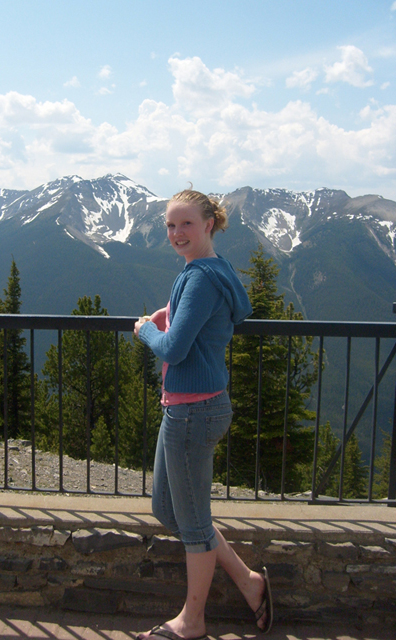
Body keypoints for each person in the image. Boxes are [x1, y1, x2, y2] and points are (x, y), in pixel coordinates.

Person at [134, 188, 273, 640]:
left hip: (193, 413)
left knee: (192, 522)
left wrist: (145, 332)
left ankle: (192, 621)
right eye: (170, 226)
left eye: (186, 224)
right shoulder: (215, 270)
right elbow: (218, 317)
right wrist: (171, 313)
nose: (177, 233)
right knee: (166, 508)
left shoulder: (200, 277)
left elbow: (174, 347)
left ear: (209, 223)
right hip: (189, 409)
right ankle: (249, 582)